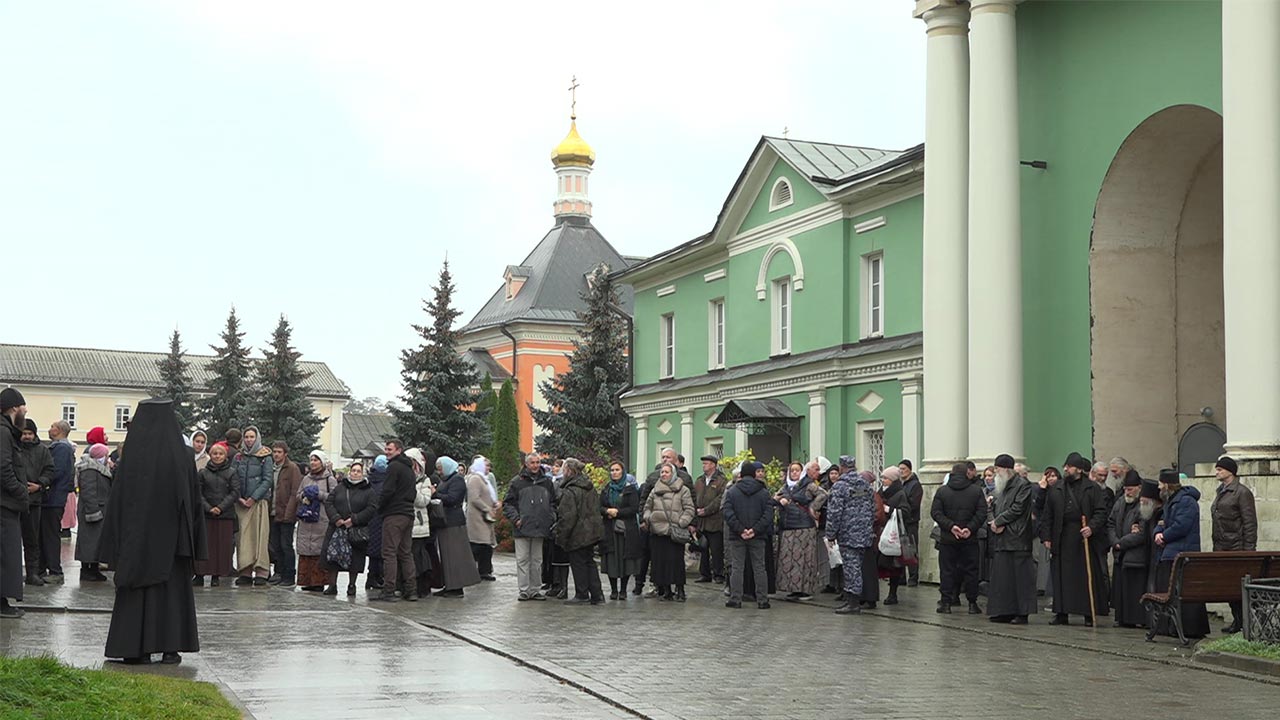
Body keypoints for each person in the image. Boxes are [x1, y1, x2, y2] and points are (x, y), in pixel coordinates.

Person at [100, 399, 206, 665]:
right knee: (172, 594)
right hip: (173, 543)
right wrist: (192, 540)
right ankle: (171, 648)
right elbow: (193, 500)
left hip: (137, 541)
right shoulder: (183, 455)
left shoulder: (132, 453)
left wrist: (113, 541)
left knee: (137, 592)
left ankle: (137, 649)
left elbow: (118, 501)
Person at [1041, 452, 1110, 626]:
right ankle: (1061, 612)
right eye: (1065, 466)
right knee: (1061, 577)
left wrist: (1091, 527)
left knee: (1084, 577)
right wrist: (1047, 537)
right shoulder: (1057, 488)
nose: (1065, 469)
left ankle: (1087, 613)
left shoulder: (1092, 488)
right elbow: (1047, 515)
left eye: (1069, 466)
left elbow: (1101, 512)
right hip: (1061, 536)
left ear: (1079, 469)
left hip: (1083, 538)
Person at [1151, 469, 1210, 639]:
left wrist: (1165, 535)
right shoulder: (1171, 501)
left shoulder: (1186, 502)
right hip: (1171, 552)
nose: (1158, 487)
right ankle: (1169, 626)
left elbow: (1181, 526)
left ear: (1167, 485)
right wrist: (1158, 532)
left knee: (1183, 591)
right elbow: (1162, 522)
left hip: (1182, 553)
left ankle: (1189, 628)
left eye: (1160, 484)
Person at [986, 454, 1037, 624]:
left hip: (1017, 537)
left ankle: (1022, 613)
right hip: (1001, 538)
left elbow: (1018, 508)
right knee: (1003, 578)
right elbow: (993, 505)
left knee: (1020, 579)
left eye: (997, 469)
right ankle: (1004, 611)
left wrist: (999, 521)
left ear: (1006, 469)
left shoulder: (1023, 485)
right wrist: (993, 521)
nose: (995, 473)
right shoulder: (1001, 487)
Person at [930, 461, 986, 614]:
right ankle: (972, 604)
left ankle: (946, 603)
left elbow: (936, 513)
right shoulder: (976, 491)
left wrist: (950, 526)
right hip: (970, 538)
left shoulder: (942, 491)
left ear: (952, 474)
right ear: (967, 474)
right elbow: (981, 513)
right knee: (971, 571)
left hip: (948, 539)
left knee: (947, 571)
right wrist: (969, 528)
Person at [1210, 456, 1257, 633]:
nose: (1217, 472)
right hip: (1222, 546)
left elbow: (1250, 523)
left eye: (1220, 469)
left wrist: (1249, 550)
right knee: (1229, 586)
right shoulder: (1221, 490)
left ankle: (1243, 621)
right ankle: (1237, 620)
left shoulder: (1241, 493)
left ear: (1230, 471)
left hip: (1236, 547)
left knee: (1238, 587)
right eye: (1217, 469)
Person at [637, 447, 692, 596]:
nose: (664, 474)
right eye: (662, 472)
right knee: (659, 562)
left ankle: (680, 589)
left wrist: (682, 522)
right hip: (658, 531)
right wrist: (648, 518)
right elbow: (647, 505)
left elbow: (689, 508)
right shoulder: (655, 489)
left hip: (675, 531)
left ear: (673, 473)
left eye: (667, 472)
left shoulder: (683, 488)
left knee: (676, 562)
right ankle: (665, 589)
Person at [825, 456, 875, 614]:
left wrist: (830, 534)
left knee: (851, 568)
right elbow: (872, 508)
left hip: (848, 534)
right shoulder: (865, 484)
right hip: (864, 533)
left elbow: (834, 513)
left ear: (841, 467)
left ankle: (853, 602)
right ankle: (853, 599)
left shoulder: (840, 487)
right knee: (857, 567)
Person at [504, 453, 556, 601]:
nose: (535, 465)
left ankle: (535, 589)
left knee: (537, 560)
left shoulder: (546, 482)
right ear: (526, 464)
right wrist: (516, 519)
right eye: (532, 462)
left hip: (540, 527)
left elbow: (553, 502)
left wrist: (550, 517)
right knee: (522, 559)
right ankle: (524, 590)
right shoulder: (517, 482)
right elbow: (508, 503)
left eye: (537, 462)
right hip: (522, 527)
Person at [322, 460, 378, 596]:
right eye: (353, 470)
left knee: (356, 558)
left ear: (362, 473)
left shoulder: (368, 490)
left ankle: (352, 585)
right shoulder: (340, 487)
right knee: (333, 556)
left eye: (358, 471)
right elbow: (329, 502)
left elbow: (372, 508)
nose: (355, 473)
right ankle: (332, 585)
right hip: (337, 527)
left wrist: (354, 520)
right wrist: (336, 518)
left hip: (356, 530)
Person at [723, 461, 773, 610]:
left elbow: (727, 513)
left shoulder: (732, 491)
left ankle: (735, 599)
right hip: (758, 536)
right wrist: (754, 530)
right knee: (759, 567)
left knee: (737, 567)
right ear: (754, 474)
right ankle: (763, 600)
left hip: (737, 536)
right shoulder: (764, 493)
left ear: (741, 474)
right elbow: (768, 514)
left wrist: (741, 530)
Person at [553, 458, 604, 604]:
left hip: (577, 533)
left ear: (568, 470)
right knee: (589, 562)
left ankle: (582, 594)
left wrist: (561, 536)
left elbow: (567, 516)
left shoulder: (570, 491)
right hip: (591, 532)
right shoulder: (589, 487)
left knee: (578, 563)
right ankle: (597, 594)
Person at [373, 439, 417, 602]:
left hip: (394, 514)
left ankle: (389, 590)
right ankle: (411, 590)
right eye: (385, 449)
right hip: (408, 514)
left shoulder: (393, 466)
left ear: (399, 450)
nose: (386, 452)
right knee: (405, 553)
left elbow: (388, 490)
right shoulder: (409, 468)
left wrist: (380, 508)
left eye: (389, 449)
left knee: (389, 552)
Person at [432, 456, 481, 598]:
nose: (439, 472)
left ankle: (456, 587)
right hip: (445, 521)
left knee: (454, 555)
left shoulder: (457, 480)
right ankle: (450, 585)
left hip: (453, 522)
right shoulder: (447, 479)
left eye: (441, 469)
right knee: (447, 555)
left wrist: (436, 494)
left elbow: (453, 498)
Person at [1106, 469, 1148, 628]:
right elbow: (1110, 523)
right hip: (1120, 553)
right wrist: (1115, 541)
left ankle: (1135, 618)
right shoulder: (1120, 502)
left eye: (1130, 489)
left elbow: (1142, 532)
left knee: (1134, 590)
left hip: (1135, 555)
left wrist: (1121, 543)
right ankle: (1122, 618)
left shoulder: (1143, 504)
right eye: (1125, 490)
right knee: (1121, 590)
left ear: (1138, 487)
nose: (1127, 492)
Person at [775, 460, 822, 600]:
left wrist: (813, 507)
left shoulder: (808, 485)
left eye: (797, 470)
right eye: (792, 470)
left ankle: (805, 590)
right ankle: (793, 589)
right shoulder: (785, 487)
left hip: (804, 527)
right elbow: (774, 498)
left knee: (804, 560)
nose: (794, 473)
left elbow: (823, 495)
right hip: (788, 527)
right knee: (789, 560)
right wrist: (779, 501)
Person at [193, 442, 238, 587]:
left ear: (225, 456)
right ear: (210, 455)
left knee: (221, 547)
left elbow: (235, 492)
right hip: (206, 515)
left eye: (220, 454)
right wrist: (209, 508)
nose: (217, 456)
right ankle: (199, 574)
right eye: (214, 454)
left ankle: (216, 575)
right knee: (204, 545)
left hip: (225, 515)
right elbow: (198, 493)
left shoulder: (231, 472)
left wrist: (220, 507)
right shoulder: (203, 473)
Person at [232, 427, 273, 587]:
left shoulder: (265, 456)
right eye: (246, 437)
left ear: (257, 438)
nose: (249, 440)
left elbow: (267, 479)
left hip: (258, 502)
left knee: (260, 537)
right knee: (243, 537)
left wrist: (253, 497)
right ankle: (245, 571)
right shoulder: (238, 456)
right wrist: (239, 497)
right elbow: (233, 476)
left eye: (251, 437)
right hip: (241, 503)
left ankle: (262, 571)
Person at [1, 388, 29, 619]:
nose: (25, 410)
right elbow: (3, 468)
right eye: (23, 406)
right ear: (13, 408)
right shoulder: (3, 432)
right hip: (4, 504)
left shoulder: (7, 431)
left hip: (7, 502)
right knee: (6, 554)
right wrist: (20, 491)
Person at [599, 460, 642, 599]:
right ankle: (613, 590)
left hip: (626, 531)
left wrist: (618, 512)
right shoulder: (607, 489)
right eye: (612, 470)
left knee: (626, 560)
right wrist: (607, 511)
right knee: (611, 559)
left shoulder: (630, 489)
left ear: (623, 472)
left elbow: (634, 508)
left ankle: (623, 590)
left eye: (617, 470)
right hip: (609, 530)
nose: (614, 473)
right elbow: (599, 507)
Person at [17, 420, 53, 586]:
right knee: (11, 540)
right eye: (24, 433)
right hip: (14, 500)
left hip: (34, 500)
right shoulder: (13, 448)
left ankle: (32, 573)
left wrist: (39, 484)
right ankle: (12, 574)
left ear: (35, 434)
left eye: (29, 433)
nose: (27, 436)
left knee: (32, 540)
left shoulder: (43, 451)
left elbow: (50, 470)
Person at [296, 450, 338, 592]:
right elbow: (298, 494)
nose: (313, 463)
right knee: (305, 550)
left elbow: (334, 497)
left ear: (322, 462)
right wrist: (303, 496)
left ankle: (318, 582)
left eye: (316, 460)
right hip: (306, 519)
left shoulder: (329, 480)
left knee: (318, 550)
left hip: (321, 519)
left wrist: (319, 495)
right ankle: (306, 580)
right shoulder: (306, 479)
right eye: (311, 460)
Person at [41, 419, 75, 581]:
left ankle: (55, 571)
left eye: (52, 427)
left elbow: (56, 471)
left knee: (50, 534)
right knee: (46, 533)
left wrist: (40, 481)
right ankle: (44, 569)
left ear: (59, 430)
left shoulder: (61, 448)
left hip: (53, 498)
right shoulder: (61, 447)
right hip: (53, 497)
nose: (50, 429)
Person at [75, 444, 113, 582]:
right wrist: (93, 511)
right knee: (88, 542)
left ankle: (94, 568)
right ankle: (86, 570)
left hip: (99, 510)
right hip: (92, 512)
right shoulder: (89, 469)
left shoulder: (98, 468)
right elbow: (88, 491)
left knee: (96, 543)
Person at [267, 441, 302, 588]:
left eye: (279, 452)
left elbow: (295, 492)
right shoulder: (271, 468)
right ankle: (279, 572)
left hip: (286, 513)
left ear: (285, 453)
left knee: (286, 545)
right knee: (275, 545)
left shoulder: (292, 468)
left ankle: (289, 574)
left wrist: (289, 513)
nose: (276, 454)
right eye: (274, 451)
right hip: (273, 512)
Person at [876, 466, 910, 606]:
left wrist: (890, 510)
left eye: (886, 478)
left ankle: (893, 593)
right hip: (881, 532)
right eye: (882, 478)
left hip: (894, 534)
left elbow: (906, 512)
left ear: (893, 480)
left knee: (894, 565)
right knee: (881, 562)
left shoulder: (900, 494)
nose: (883, 480)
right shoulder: (881, 492)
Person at [692, 454, 727, 584]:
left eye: (706, 463)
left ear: (713, 465)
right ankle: (704, 573)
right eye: (703, 464)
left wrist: (706, 510)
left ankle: (718, 574)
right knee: (703, 548)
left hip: (715, 520)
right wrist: (696, 510)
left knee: (716, 549)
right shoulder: (699, 480)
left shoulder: (721, 480)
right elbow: (694, 496)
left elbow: (720, 499)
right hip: (701, 521)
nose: (704, 466)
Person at [406, 448, 435, 600]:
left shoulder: (425, 480)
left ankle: (419, 586)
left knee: (416, 556)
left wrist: (412, 490)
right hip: (405, 523)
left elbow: (424, 501)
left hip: (418, 524)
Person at [465, 457, 498, 581]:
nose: (488, 468)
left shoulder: (485, 479)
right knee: (477, 544)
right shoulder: (475, 479)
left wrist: (494, 504)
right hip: (477, 517)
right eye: (486, 466)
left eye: (489, 466)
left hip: (485, 518)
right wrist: (487, 508)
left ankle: (484, 571)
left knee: (485, 545)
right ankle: (473, 570)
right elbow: (474, 498)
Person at [364, 454, 389, 590]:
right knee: (379, 550)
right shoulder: (385, 482)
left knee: (374, 550)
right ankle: (374, 577)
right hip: (380, 519)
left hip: (371, 519)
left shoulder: (370, 480)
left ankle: (373, 577)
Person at [898, 459, 924, 587]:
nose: (901, 471)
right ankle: (901, 576)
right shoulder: (900, 484)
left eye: (903, 469)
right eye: (900, 469)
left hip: (911, 521)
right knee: (901, 549)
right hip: (900, 520)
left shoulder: (915, 485)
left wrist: (902, 506)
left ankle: (913, 577)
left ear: (909, 469)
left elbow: (914, 504)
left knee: (910, 549)